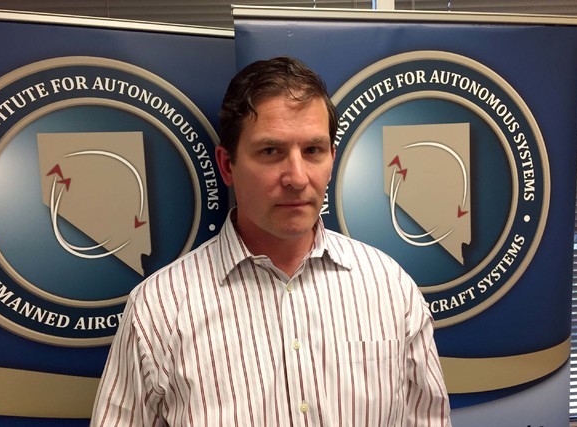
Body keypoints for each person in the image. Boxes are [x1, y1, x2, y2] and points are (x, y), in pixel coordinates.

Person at [91, 56, 451, 426]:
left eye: (312, 151)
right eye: (270, 151)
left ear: (332, 158)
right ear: (227, 165)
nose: (297, 178)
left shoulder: (390, 288)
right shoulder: (159, 310)